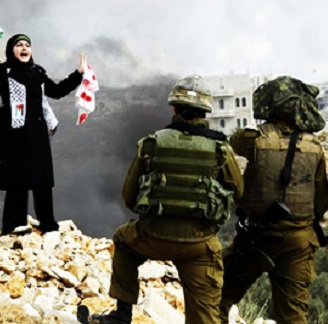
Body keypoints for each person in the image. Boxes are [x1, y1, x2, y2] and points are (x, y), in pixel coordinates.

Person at [90, 75, 244, 324]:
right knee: (205, 316)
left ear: (174, 108)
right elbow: (238, 191)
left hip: (153, 236)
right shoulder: (220, 149)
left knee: (122, 239)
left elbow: (129, 197)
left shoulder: (152, 143)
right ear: (205, 111)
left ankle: (121, 316)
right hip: (199, 245)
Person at [219, 76, 328, 324]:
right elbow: (321, 199)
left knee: (220, 297)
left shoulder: (254, 139)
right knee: (293, 314)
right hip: (299, 240)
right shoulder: (314, 147)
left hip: (259, 237)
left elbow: (234, 141)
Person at [0, 33, 85, 235]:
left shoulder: (38, 72)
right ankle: (14, 225)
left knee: (42, 180)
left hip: (37, 133)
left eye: (27, 45)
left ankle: (48, 224)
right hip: (13, 133)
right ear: (11, 50)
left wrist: (78, 74)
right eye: (19, 45)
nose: (24, 48)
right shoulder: (4, 71)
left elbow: (56, 91)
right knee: (17, 181)